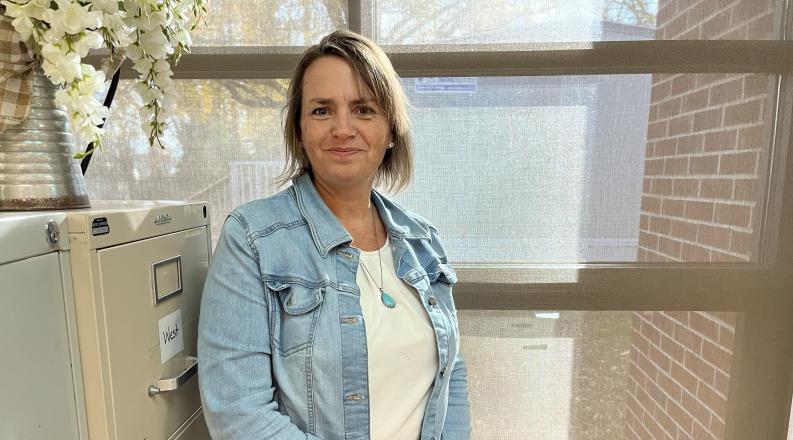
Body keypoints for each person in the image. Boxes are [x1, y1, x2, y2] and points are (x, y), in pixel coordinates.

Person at [197, 29, 471, 440]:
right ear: (300, 131)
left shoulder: (422, 241)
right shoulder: (252, 240)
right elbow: (239, 416)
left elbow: (453, 374)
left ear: (391, 130)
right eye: (322, 110)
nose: (343, 128)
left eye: (364, 109)